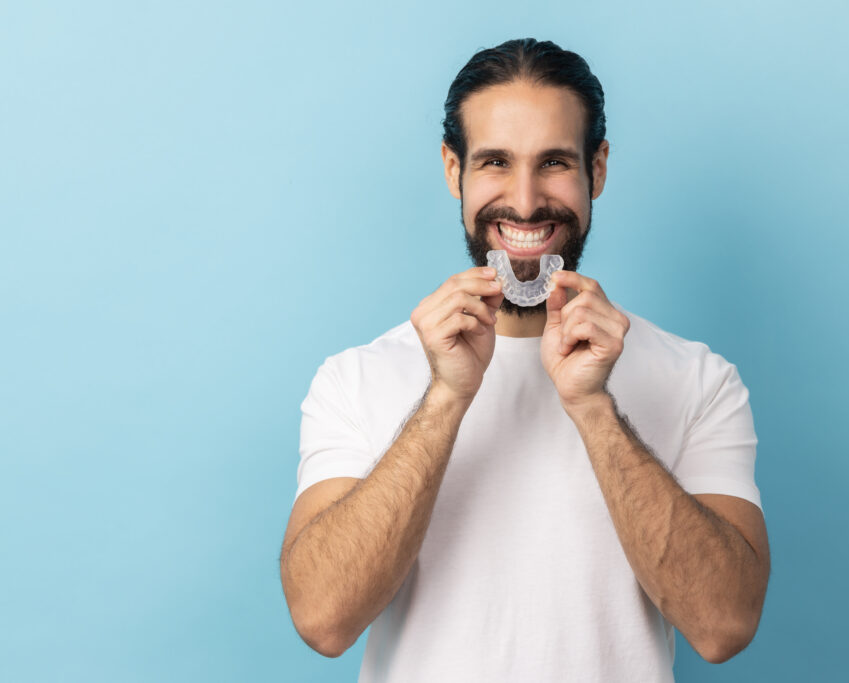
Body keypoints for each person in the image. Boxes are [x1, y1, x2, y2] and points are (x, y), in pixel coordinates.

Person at [279, 38, 770, 682]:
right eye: (495, 163)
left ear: (597, 170)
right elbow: (323, 620)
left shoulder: (700, 380)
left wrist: (593, 407)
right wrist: (446, 398)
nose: (527, 200)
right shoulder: (355, 379)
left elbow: (724, 626)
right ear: (454, 170)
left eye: (555, 162)